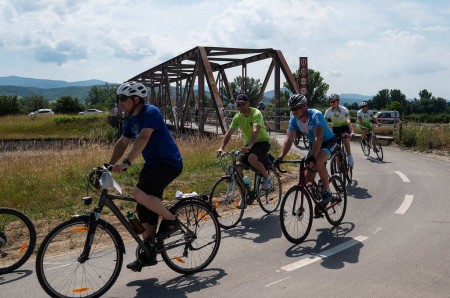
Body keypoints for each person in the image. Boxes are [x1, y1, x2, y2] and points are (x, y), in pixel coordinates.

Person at [109, 81, 183, 272]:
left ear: (136, 99)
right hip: (152, 165)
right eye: (119, 99)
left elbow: (143, 138)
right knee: (143, 210)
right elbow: (123, 141)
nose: (120, 103)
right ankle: (148, 251)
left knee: (137, 192)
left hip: (168, 163)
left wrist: (126, 162)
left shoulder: (151, 112)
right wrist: (109, 165)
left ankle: (172, 221)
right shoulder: (131, 120)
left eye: (123, 99)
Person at [276, 94, 337, 212]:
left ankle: (328, 192)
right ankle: (319, 193)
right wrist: (281, 157)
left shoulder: (316, 115)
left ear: (304, 107)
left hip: (328, 142)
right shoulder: (294, 119)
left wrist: (313, 157)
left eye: (296, 108)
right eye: (291, 108)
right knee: (308, 176)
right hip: (314, 144)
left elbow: (318, 138)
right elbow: (289, 139)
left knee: (318, 162)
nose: (293, 111)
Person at [216, 93, 272, 190]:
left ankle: (267, 177)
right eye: (238, 105)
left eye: (242, 104)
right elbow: (228, 133)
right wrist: (221, 147)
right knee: (237, 167)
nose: (240, 107)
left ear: (248, 103)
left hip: (262, 141)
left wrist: (249, 146)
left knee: (252, 158)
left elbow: (256, 130)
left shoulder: (256, 113)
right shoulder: (238, 117)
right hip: (250, 144)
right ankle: (245, 193)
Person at [324, 93, 355, 166]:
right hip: (335, 129)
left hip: (344, 127)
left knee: (345, 137)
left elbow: (348, 121)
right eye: (331, 101)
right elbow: (325, 123)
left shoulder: (344, 109)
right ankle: (339, 167)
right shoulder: (328, 111)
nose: (332, 103)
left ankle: (349, 155)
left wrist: (352, 131)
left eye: (333, 101)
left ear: (337, 102)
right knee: (336, 147)